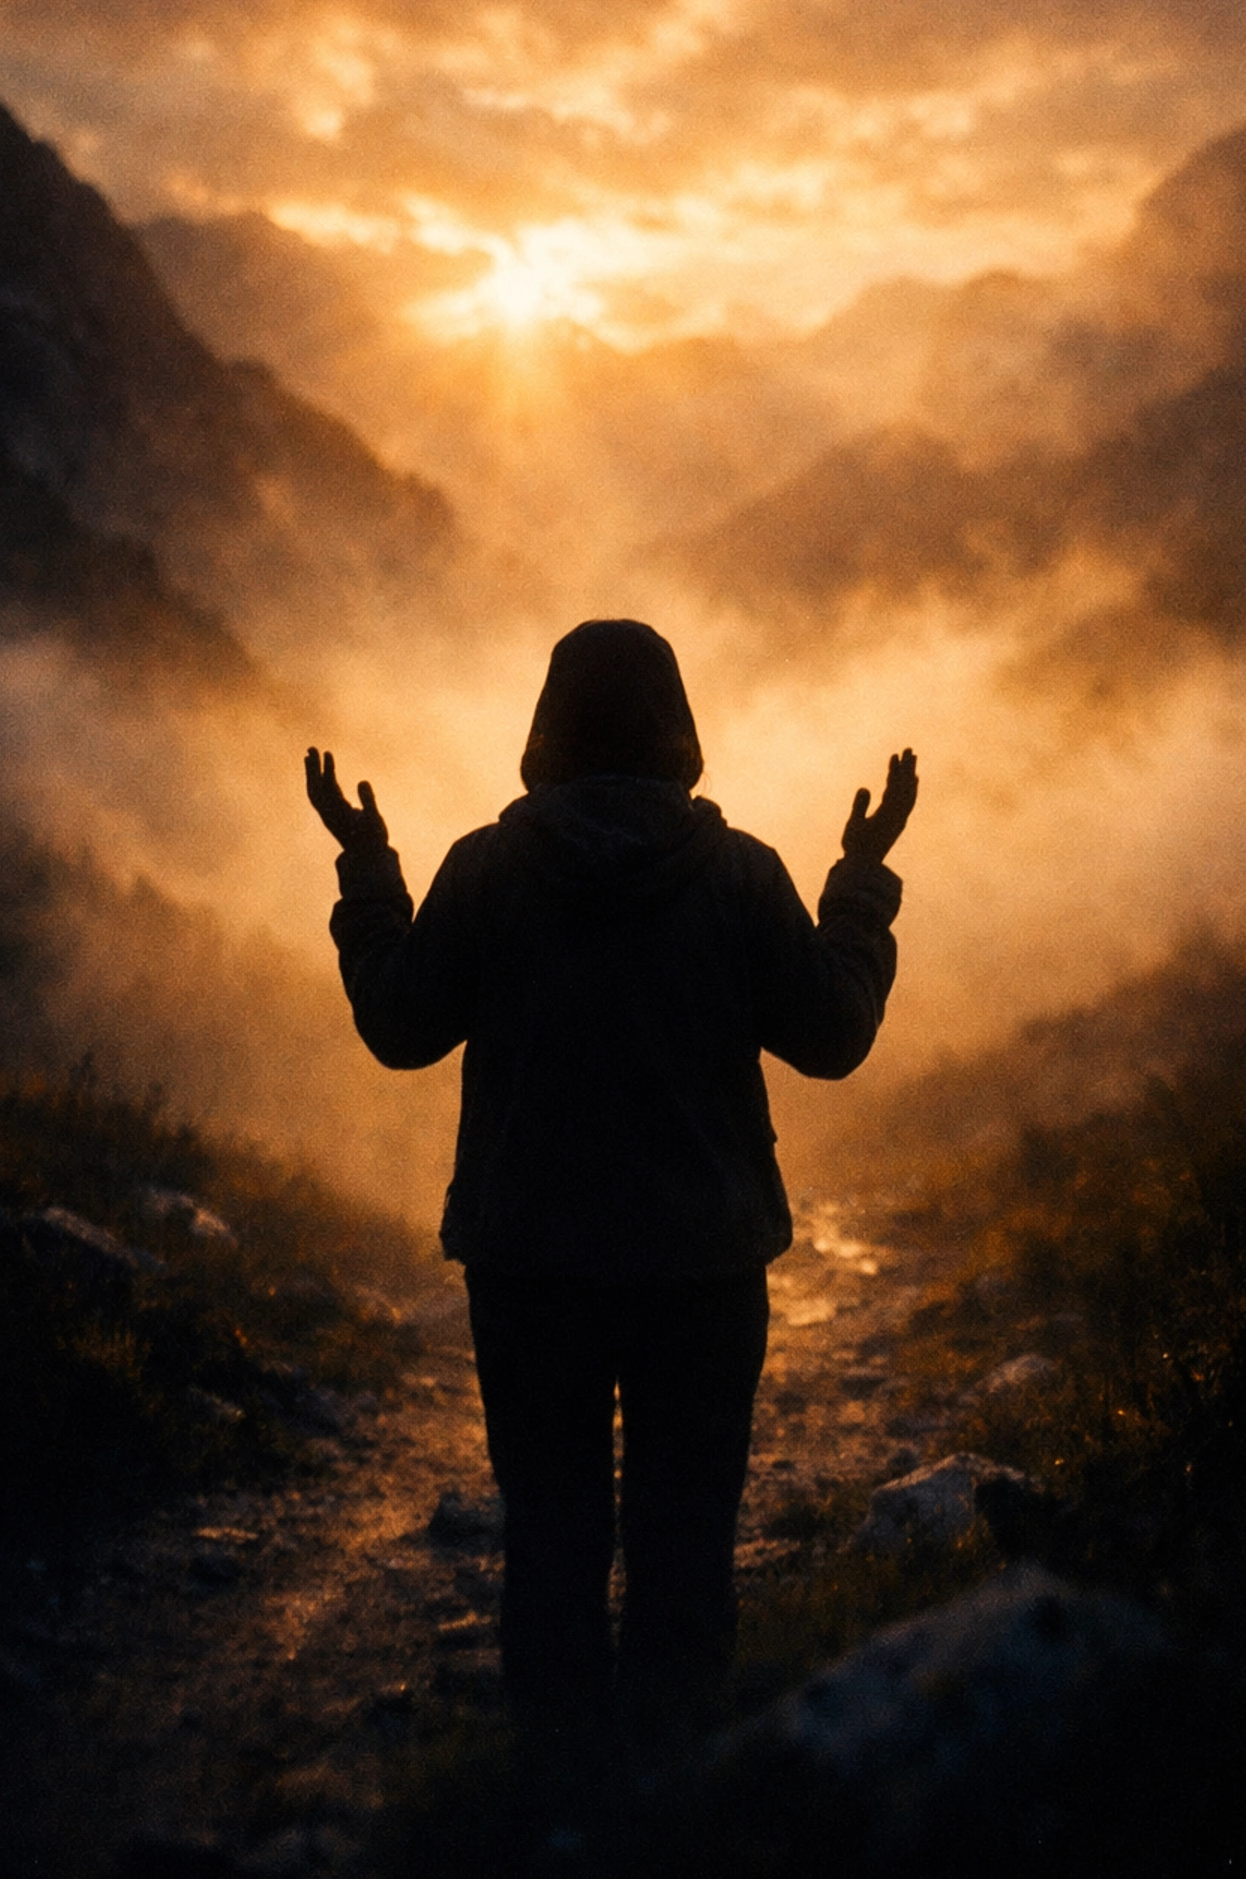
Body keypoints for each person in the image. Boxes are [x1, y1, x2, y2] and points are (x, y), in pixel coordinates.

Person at [305, 619, 915, 1744]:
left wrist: (369, 866)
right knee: (688, 1545)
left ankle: (556, 1787)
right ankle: (670, 1790)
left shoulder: (487, 870)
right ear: (678, 730)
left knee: (552, 1536)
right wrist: (863, 881)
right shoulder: (739, 876)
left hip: (531, 1269)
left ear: (548, 728)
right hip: (703, 1270)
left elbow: (398, 1026)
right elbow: (833, 1035)